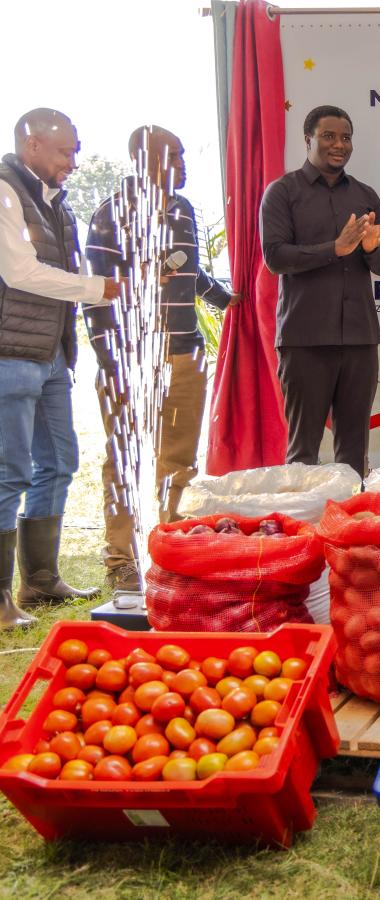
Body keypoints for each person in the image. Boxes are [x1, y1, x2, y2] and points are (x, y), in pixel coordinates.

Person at [84, 125, 236, 592]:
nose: (185, 162)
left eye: (185, 153)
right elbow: (94, 295)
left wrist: (229, 300)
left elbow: (188, 269)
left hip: (185, 356)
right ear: (143, 160)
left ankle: (170, 550)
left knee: (180, 461)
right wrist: (112, 361)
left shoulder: (184, 210)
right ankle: (121, 562)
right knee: (125, 462)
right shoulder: (113, 215)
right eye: (174, 154)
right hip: (131, 360)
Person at [0, 108, 120, 629]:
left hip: (51, 355)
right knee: (9, 473)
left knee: (59, 461)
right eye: (65, 151)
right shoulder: (5, 192)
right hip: (10, 354)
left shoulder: (57, 204)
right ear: (32, 146)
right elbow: (21, 271)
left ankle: (41, 580)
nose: (74, 161)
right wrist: (96, 289)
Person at [260, 105, 380, 479]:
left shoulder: (365, 196)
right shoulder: (282, 193)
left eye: (346, 137)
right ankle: (304, 531)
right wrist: (333, 249)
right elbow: (275, 257)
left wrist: (369, 248)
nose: (339, 145)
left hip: (359, 338)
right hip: (305, 339)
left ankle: (350, 530)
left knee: (354, 452)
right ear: (308, 140)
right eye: (329, 136)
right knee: (303, 451)